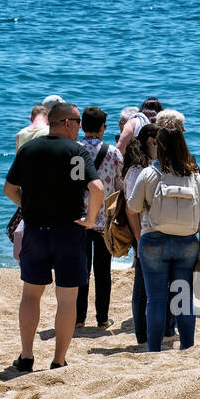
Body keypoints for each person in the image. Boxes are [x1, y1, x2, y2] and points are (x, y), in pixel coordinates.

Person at [4, 101, 103, 370]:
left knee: (31, 295)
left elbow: (9, 189)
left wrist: (28, 205)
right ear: (68, 123)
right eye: (78, 122)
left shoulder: (29, 149)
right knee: (67, 299)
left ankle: (26, 356)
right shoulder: (77, 152)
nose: (80, 127)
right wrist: (91, 220)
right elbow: (96, 188)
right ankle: (59, 360)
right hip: (69, 232)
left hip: (36, 229)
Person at [128, 126, 200, 351]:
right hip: (186, 244)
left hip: (154, 241)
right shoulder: (193, 174)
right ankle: (188, 347)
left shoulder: (149, 173)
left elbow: (132, 208)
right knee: (183, 299)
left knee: (156, 299)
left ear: (158, 146)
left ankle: (153, 349)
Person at [77, 106, 123, 329]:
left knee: (80, 270)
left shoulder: (73, 150)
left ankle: (78, 318)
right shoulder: (113, 152)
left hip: (79, 220)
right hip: (104, 221)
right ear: (103, 127)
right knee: (103, 272)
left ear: (82, 126)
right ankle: (102, 318)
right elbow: (119, 186)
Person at [120, 135, 150, 342]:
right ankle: (142, 333)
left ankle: (144, 332)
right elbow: (133, 210)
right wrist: (140, 239)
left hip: (143, 233)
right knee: (141, 288)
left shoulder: (136, 171)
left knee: (143, 288)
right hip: (143, 233)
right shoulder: (139, 171)